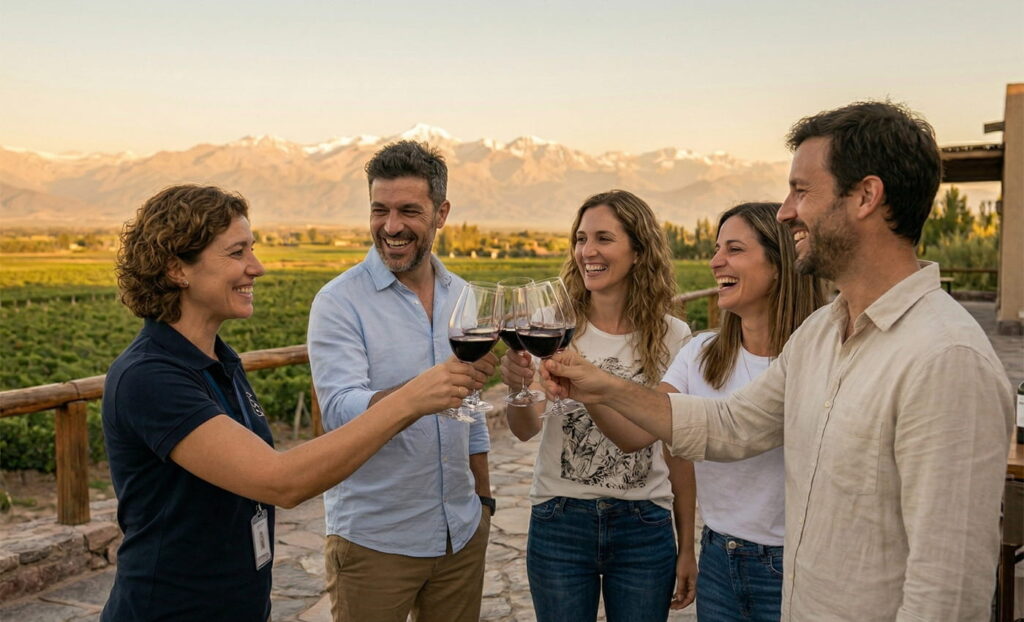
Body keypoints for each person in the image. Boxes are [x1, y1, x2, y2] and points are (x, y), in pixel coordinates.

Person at [541, 101, 1015, 621]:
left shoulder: (947, 358)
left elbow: (948, 593)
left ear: (866, 196)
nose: (787, 210)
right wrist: (597, 384)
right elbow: (729, 425)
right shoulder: (820, 335)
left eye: (802, 190)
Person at [101, 185, 485, 621]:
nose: (256, 267)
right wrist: (410, 400)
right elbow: (281, 481)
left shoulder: (218, 362)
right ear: (177, 269)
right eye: (236, 253)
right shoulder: (151, 377)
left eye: (253, 249)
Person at [588, 202, 825, 622]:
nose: (716, 262)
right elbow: (635, 433)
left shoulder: (822, 360)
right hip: (720, 559)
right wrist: (587, 388)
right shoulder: (700, 353)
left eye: (734, 249)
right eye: (717, 249)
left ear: (779, 262)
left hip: (798, 565)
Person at [307, 141, 496, 622]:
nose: (391, 226)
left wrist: (484, 501)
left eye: (409, 210)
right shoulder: (338, 302)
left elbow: (469, 410)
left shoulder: (465, 296)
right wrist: (418, 394)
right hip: (375, 541)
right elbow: (340, 410)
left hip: (461, 531)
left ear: (441, 213)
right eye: (380, 210)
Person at [499, 190, 695, 622]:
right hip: (559, 518)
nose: (588, 251)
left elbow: (676, 446)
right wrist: (516, 389)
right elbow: (525, 427)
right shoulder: (549, 325)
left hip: (644, 523)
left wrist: (687, 546)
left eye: (604, 238)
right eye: (581, 238)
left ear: (639, 251)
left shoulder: (674, 336)